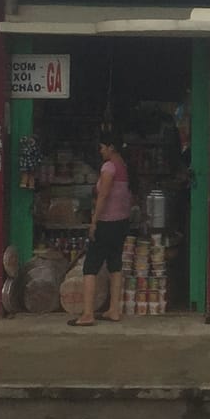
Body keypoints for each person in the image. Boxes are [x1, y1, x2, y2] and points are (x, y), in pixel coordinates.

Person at [72, 136, 131, 327]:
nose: (100, 151)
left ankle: (88, 313)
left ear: (111, 147)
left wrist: (94, 222)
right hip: (121, 222)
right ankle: (114, 309)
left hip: (106, 222)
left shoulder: (109, 167)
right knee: (115, 263)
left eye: (102, 147)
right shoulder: (123, 166)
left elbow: (103, 195)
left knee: (91, 266)